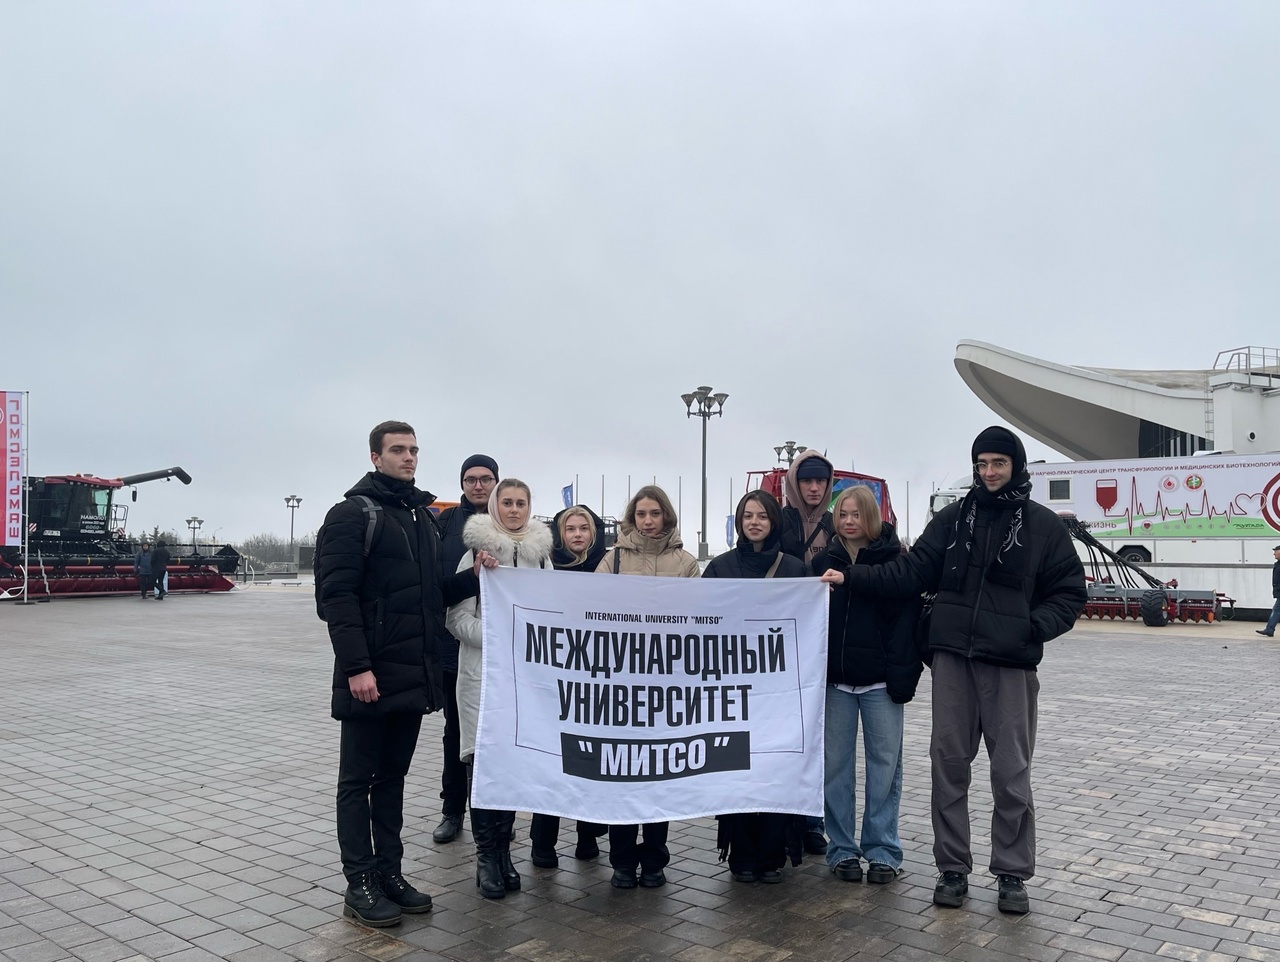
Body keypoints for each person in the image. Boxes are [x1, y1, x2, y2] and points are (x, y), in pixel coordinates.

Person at [820, 426, 1086, 915]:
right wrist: (852, 576)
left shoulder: (1043, 526)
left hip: (1010, 667)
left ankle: (1011, 873)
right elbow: (909, 572)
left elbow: (1070, 592)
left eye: (998, 463)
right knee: (948, 769)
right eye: (982, 464)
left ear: (1016, 466)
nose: (989, 472)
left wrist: (1033, 628)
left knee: (1011, 773)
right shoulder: (952, 520)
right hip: (951, 663)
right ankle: (952, 869)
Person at [317, 421, 493, 927]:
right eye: (398, 450)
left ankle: (390, 873)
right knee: (357, 781)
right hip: (369, 676)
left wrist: (472, 576)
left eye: (414, 449)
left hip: (412, 675)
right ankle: (360, 882)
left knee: (392, 778)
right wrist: (357, 668)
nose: (409, 457)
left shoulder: (420, 516)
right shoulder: (352, 514)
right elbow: (336, 599)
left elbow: (430, 595)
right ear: (375, 457)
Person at [445, 478, 554, 899]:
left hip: (524, 680)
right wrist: (499, 637)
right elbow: (456, 620)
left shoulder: (541, 559)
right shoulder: (474, 553)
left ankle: (505, 853)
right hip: (482, 675)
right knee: (483, 767)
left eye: (520, 503)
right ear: (494, 506)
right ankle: (486, 857)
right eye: (506, 502)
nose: (513, 509)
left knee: (511, 767)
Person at [810, 485, 921, 887]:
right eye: (842, 514)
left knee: (885, 769)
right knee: (835, 769)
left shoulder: (897, 560)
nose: (849, 521)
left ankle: (883, 850)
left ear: (872, 516)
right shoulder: (822, 562)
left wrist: (902, 675)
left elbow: (906, 618)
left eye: (857, 514)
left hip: (880, 684)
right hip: (836, 684)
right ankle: (841, 848)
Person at [595, 485, 700, 889]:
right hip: (622, 685)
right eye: (641, 514)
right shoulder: (613, 559)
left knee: (659, 775)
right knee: (623, 774)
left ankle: (655, 859)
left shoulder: (686, 563)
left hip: (667, 685)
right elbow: (591, 611)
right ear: (632, 518)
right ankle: (622, 861)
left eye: (655, 513)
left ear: (667, 516)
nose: (648, 520)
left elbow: (699, 619)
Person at [702, 491, 808, 884]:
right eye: (747, 516)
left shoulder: (795, 569)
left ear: (774, 521)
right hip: (733, 687)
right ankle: (742, 854)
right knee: (736, 770)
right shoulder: (721, 566)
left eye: (762, 516)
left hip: (779, 690)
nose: (754, 522)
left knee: (775, 768)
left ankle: (772, 854)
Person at [529, 505, 609, 868]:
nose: (577, 534)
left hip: (597, 679)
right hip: (556, 679)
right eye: (570, 528)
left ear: (594, 533)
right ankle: (542, 841)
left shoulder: (609, 568)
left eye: (584, 528)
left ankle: (587, 835)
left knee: (590, 761)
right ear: (559, 534)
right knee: (553, 761)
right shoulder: (545, 568)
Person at [431, 454, 500, 844]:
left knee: (499, 733)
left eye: (485, 478)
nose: (478, 485)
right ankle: (453, 809)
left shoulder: (509, 524)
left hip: (503, 653)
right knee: (456, 731)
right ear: (462, 483)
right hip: (454, 645)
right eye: (471, 479)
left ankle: (496, 814)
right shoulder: (444, 524)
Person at [778, 450, 836, 855]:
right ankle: (784, 819)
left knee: (818, 736)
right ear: (794, 484)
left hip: (823, 641)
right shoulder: (779, 520)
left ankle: (814, 822)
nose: (814, 488)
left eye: (820, 481)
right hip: (783, 644)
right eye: (806, 481)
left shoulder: (837, 523)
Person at [1255, 544, 1280, 637]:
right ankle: (1270, 629)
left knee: (1276, 611)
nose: (1274, 554)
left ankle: (1269, 629)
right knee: (1276, 610)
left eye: (1276, 551)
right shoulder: (1278, 564)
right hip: (1278, 591)